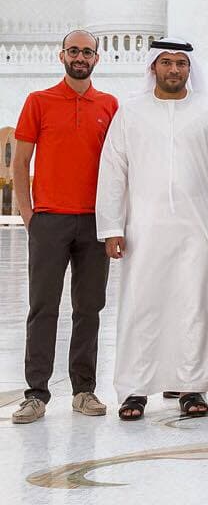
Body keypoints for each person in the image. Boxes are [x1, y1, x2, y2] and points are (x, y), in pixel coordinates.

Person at [96, 38, 208, 420]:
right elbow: (113, 172)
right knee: (143, 308)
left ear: (190, 69)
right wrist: (111, 227)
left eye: (181, 63)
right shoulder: (131, 112)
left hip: (199, 231)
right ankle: (134, 391)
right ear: (152, 68)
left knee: (195, 308)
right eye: (166, 63)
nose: (174, 70)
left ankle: (192, 389)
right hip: (144, 231)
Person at [11, 30, 118, 425]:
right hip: (50, 221)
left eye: (86, 52)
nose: (80, 57)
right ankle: (36, 394)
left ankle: (83, 390)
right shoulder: (38, 102)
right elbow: (21, 162)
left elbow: (118, 167)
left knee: (89, 309)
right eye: (73, 51)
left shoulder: (110, 105)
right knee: (43, 308)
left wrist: (115, 221)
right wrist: (29, 215)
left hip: (94, 222)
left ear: (96, 58)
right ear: (61, 56)